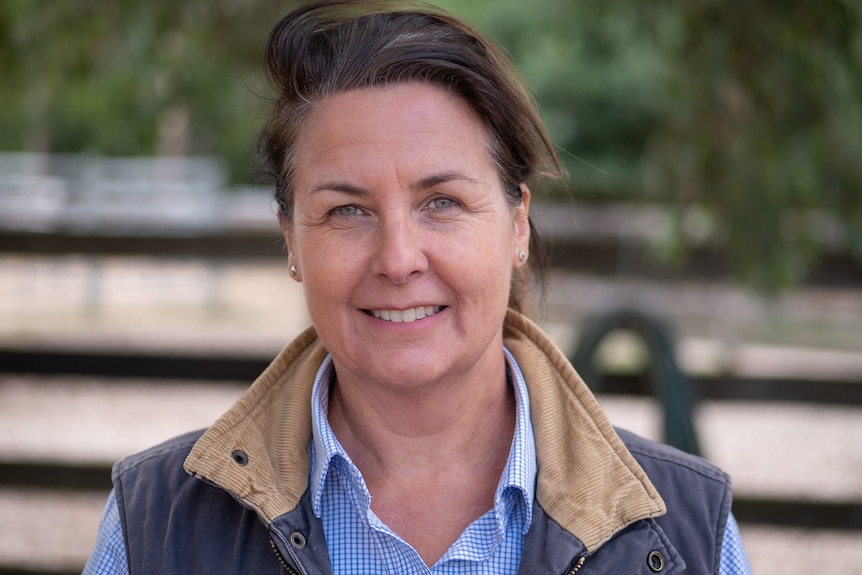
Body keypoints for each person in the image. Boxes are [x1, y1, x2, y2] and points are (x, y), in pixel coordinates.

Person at [84, 1, 753, 573]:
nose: (399, 258)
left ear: (518, 225)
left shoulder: (685, 533)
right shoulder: (155, 524)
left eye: (442, 202)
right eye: (348, 210)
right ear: (291, 239)